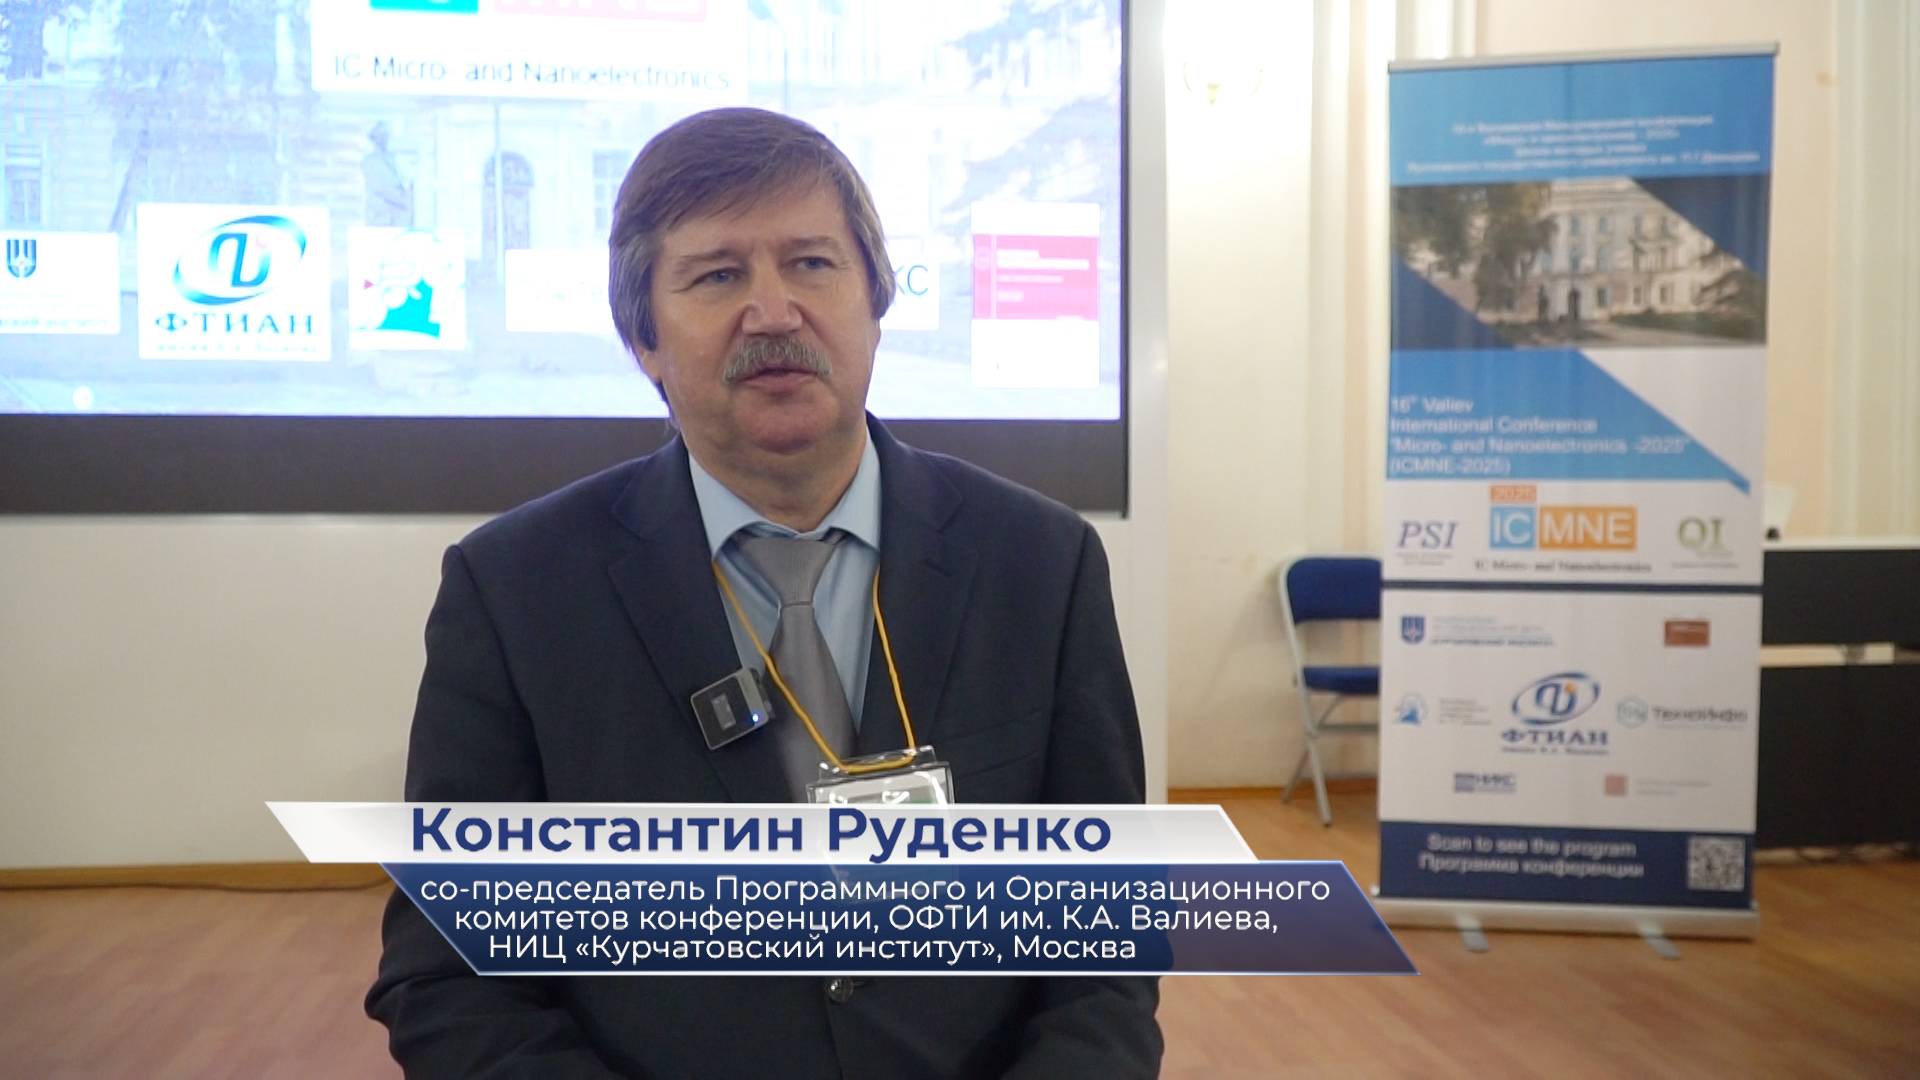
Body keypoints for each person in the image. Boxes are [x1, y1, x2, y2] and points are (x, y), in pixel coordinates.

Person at [365, 107, 1160, 1078]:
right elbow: (447, 975)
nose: (774, 312)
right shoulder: (514, 591)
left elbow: (1104, 946)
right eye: (717, 275)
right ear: (645, 340)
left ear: (877, 303)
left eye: (812, 264)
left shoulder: (1041, 564)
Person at [363, 121, 413, 228]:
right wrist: (405, 201)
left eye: (386, 135)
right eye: (380, 135)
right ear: (374, 138)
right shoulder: (371, 161)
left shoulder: (392, 158)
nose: (384, 138)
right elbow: (382, 188)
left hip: (397, 218)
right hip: (380, 218)